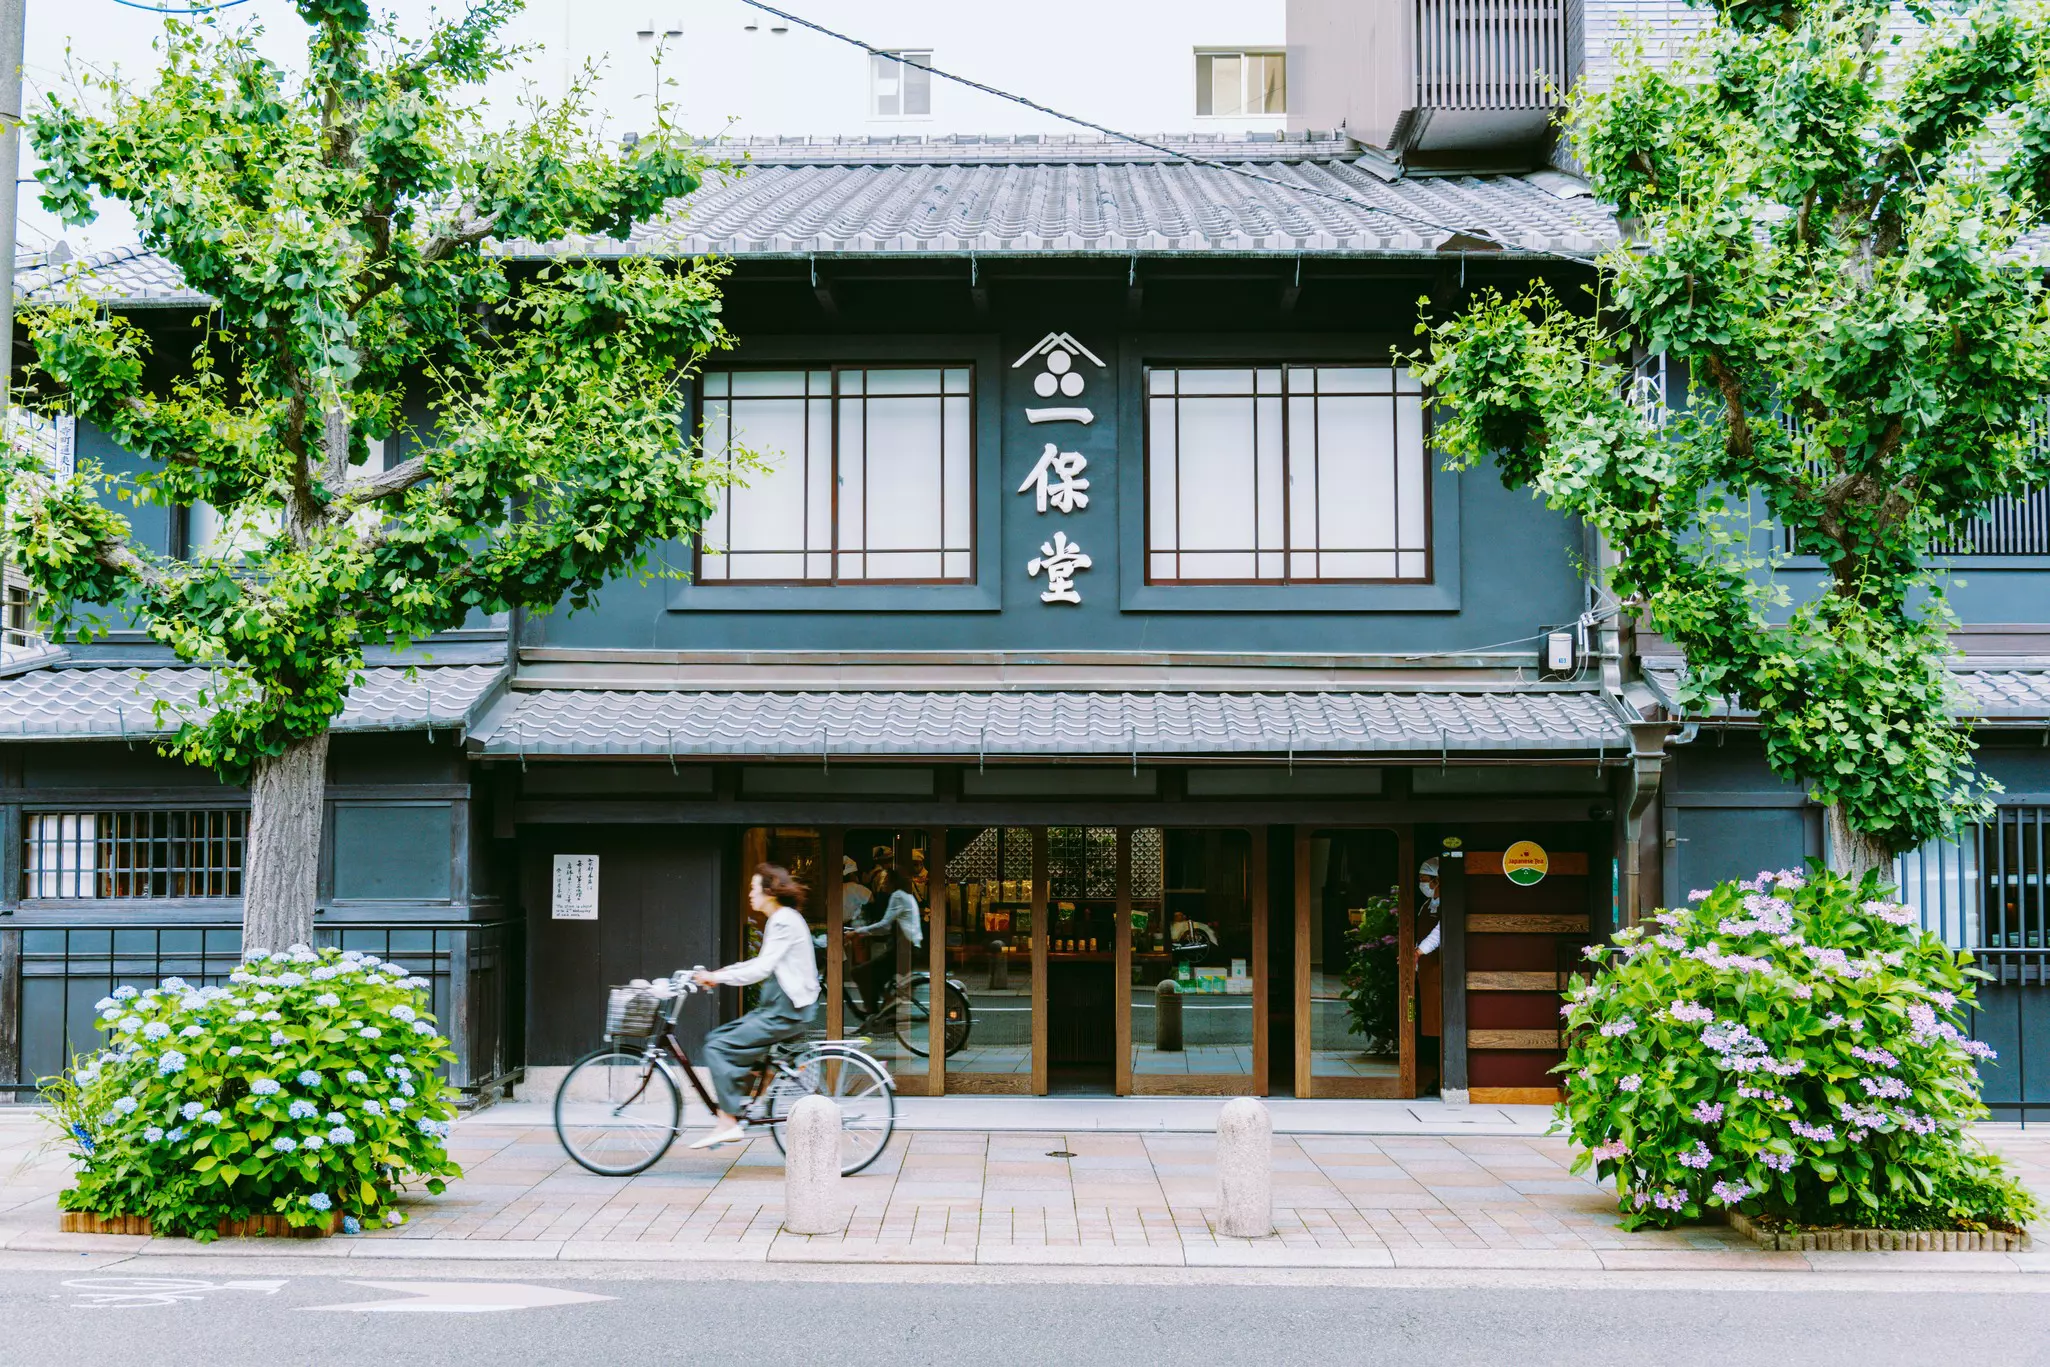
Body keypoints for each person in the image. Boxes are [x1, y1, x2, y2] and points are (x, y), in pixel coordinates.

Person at [689, 863, 821, 1149]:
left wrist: (717, 976)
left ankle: (728, 1120)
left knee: (717, 1046)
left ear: (769, 891)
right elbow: (760, 965)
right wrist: (720, 975)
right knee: (719, 1040)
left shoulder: (783, 920)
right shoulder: (783, 918)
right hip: (779, 1008)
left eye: (753, 888)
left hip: (784, 1010)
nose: (750, 894)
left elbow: (761, 968)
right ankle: (749, 1094)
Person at [847, 864, 923, 1015]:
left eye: (885, 880)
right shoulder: (906, 896)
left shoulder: (897, 896)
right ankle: (884, 1006)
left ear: (892, 882)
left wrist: (858, 932)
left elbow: (884, 926)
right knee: (875, 976)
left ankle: (872, 1014)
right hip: (909, 949)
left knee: (859, 973)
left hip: (901, 951)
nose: (882, 883)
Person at [840, 854, 873, 922]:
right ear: (852, 874)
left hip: (837, 923)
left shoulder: (836, 887)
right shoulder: (855, 887)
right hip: (851, 924)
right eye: (855, 874)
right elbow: (871, 899)